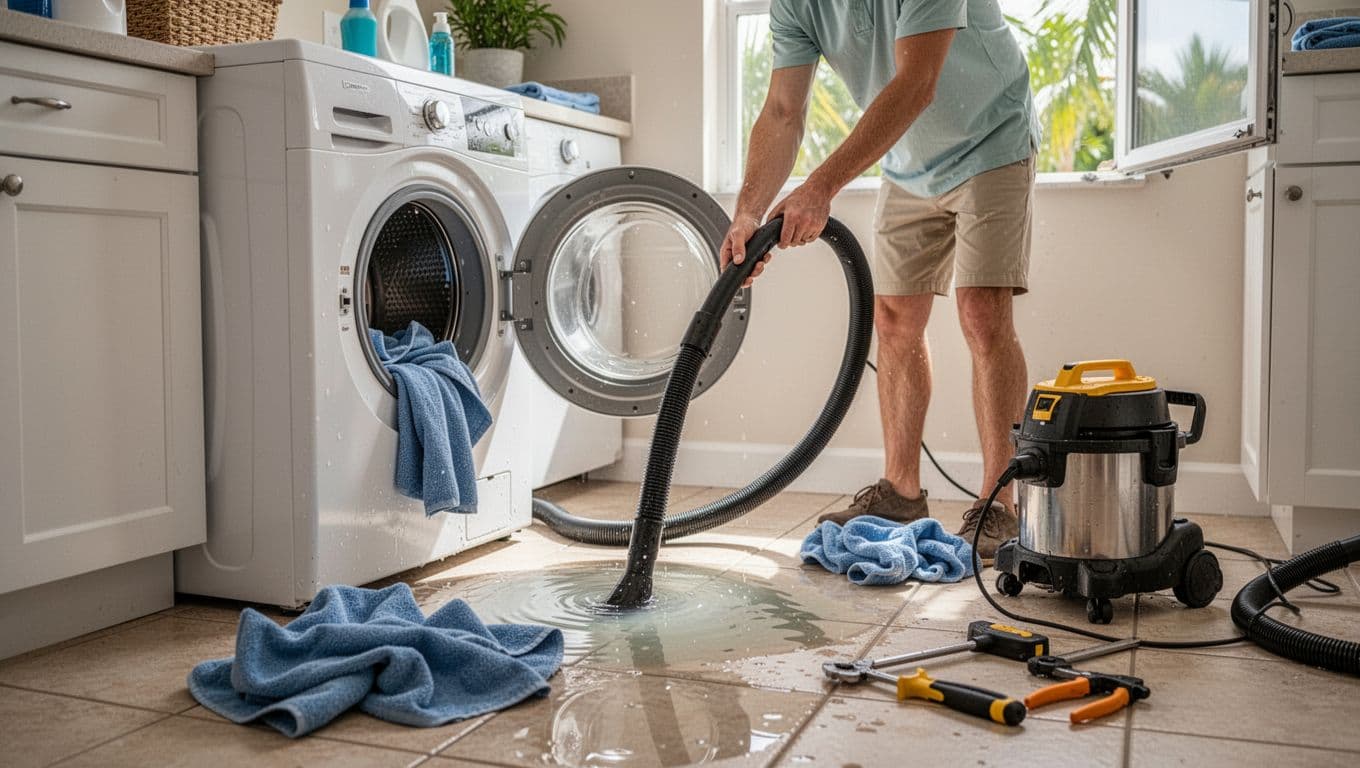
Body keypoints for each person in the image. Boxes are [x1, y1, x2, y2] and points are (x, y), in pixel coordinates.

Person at [720, 0, 1040, 561]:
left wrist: (819, 187)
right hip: (908, 161)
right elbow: (781, 112)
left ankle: (1001, 505)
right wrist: (749, 210)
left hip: (991, 139)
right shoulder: (794, 6)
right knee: (894, 319)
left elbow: (918, 82)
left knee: (982, 312)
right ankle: (900, 492)